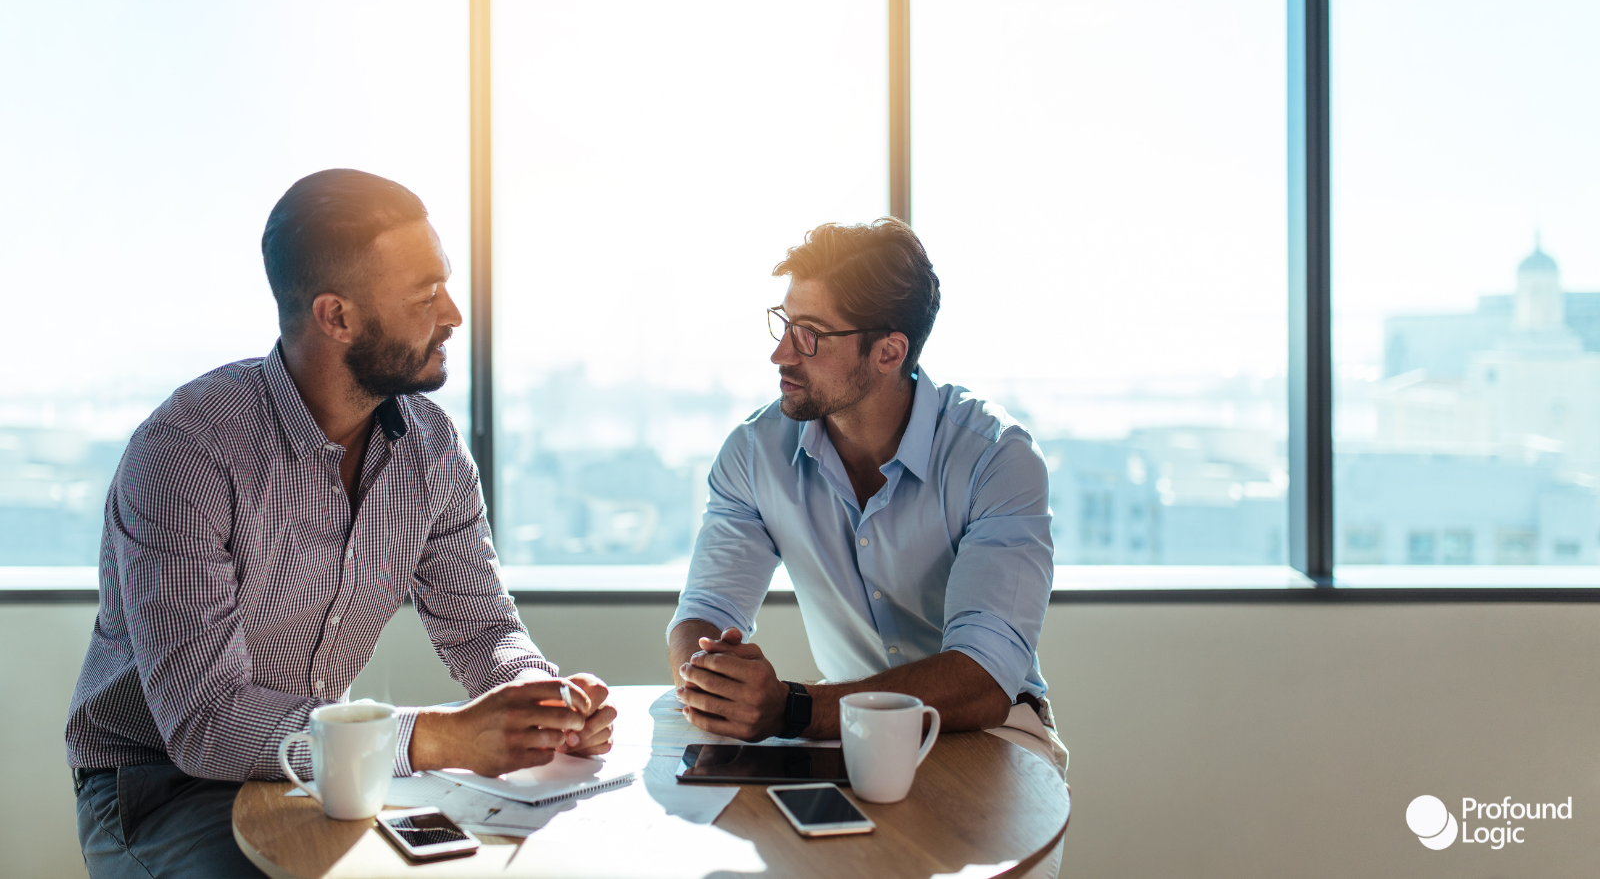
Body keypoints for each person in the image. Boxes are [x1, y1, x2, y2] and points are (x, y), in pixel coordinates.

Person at [65, 169, 615, 879]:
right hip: (158, 785)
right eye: (425, 295)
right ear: (336, 316)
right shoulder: (187, 452)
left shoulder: (433, 449)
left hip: (330, 767)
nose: (452, 313)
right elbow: (205, 725)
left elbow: (483, 629)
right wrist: (439, 737)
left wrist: (543, 700)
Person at [667, 218, 1067, 775]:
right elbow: (705, 614)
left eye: (810, 333)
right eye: (783, 323)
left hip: (993, 730)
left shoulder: (997, 458)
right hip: (843, 727)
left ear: (888, 352)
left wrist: (793, 708)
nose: (781, 353)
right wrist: (715, 685)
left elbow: (982, 678)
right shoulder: (754, 453)